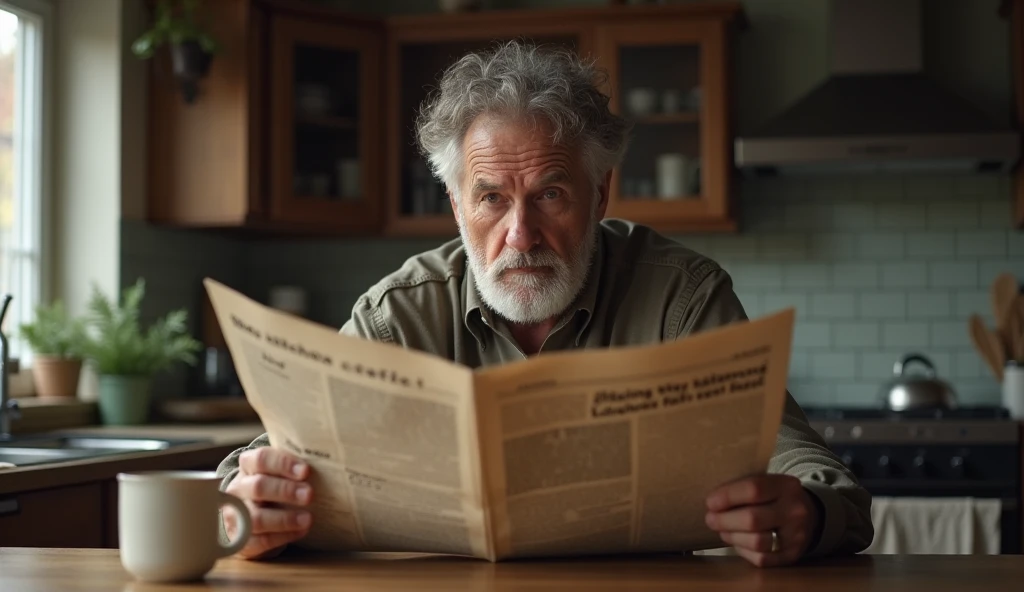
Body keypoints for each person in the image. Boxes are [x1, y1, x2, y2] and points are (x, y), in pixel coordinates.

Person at [215, 40, 873, 567]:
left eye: (551, 195)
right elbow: (255, 466)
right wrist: (247, 509)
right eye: (492, 197)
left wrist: (808, 516)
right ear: (456, 205)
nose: (521, 235)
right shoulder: (399, 313)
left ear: (601, 195)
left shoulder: (681, 296)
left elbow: (803, 463)